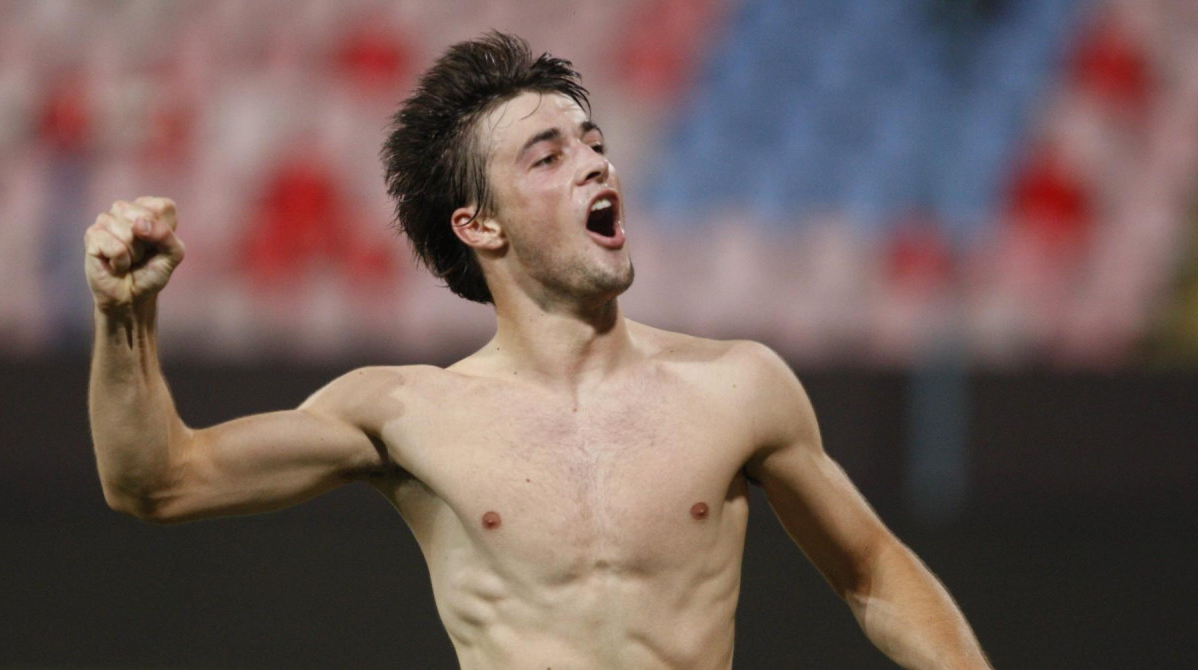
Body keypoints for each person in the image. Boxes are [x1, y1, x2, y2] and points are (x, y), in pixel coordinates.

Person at [85, 32, 991, 670]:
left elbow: (872, 570)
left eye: (593, 142)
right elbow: (158, 483)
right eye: (547, 157)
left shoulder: (739, 385)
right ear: (479, 225)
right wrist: (126, 318)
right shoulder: (402, 412)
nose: (596, 163)